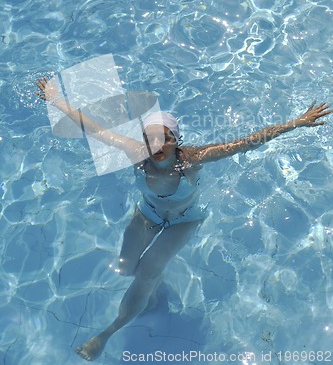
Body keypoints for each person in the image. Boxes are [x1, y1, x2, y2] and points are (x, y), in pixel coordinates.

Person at [35, 76, 331, 361]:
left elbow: (248, 142)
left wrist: (297, 123)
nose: (156, 146)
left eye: (164, 140)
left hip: (184, 221)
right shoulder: (136, 153)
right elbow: (95, 130)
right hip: (148, 214)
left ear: (176, 140)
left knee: (146, 272)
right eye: (150, 139)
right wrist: (57, 101)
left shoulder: (193, 159)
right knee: (126, 269)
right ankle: (151, 296)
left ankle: (108, 333)